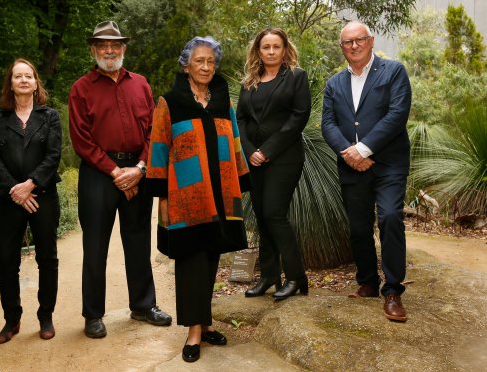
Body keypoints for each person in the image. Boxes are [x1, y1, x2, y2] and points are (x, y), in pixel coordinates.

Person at [146, 36, 250, 363]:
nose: (205, 67)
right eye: (199, 61)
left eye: (210, 62)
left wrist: (241, 180)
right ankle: (193, 331)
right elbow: (159, 148)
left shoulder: (222, 101)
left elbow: (234, 142)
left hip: (221, 191)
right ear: (186, 65)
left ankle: (204, 325)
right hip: (187, 194)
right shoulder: (170, 102)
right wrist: (160, 194)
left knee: (211, 258)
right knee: (191, 260)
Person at [68, 20, 172, 339]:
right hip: (100, 174)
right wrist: (115, 172)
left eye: (114, 45)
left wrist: (139, 169)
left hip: (137, 171)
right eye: (102, 45)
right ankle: (93, 314)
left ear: (123, 49)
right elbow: (81, 139)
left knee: (138, 239)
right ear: (93, 50)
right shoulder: (81, 88)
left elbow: (153, 131)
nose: (109, 50)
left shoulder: (140, 84)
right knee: (95, 244)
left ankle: (142, 305)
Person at [321, 21, 412, 322]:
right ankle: (368, 283)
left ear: (371, 41)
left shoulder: (393, 71)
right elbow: (328, 124)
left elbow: (397, 114)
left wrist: (365, 149)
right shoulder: (334, 83)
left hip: (389, 163)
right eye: (348, 42)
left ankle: (393, 290)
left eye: (359, 39)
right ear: (342, 47)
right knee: (358, 227)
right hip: (351, 164)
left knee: (389, 216)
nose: (354, 46)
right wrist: (350, 153)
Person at [0, 58, 62, 343]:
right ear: (11, 83)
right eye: (17, 76)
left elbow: (53, 156)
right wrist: (15, 191)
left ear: (35, 83)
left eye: (28, 76)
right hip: (9, 199)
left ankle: (46, 316)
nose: (23, 80)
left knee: (48, 257)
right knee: (7, 260)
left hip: (43, 195)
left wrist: (30, 186)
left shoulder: (50, 117)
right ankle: (11, 319)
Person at [236, 28, 311, 301]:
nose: (270, 51)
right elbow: (240, 119)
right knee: (262, 217)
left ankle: (295, 277)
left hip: (284, 158)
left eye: (275, 47)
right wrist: (249, 151)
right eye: (265, 47)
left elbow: (299, 116)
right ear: (258, 50)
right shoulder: (250, 81)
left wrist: (266, 151)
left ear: (284, 49)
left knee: (274, 214)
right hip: (254, 160)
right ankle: (269, 276)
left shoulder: (295, 77)